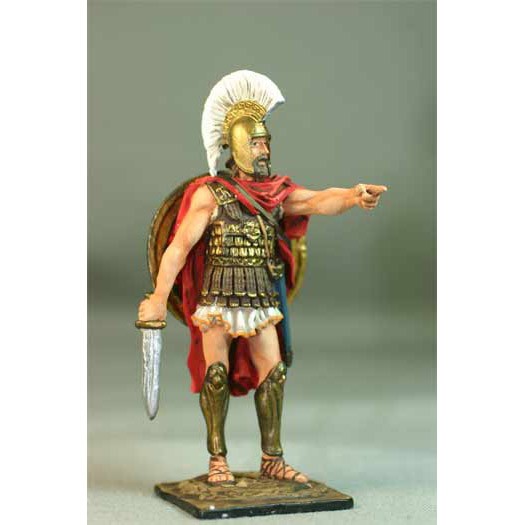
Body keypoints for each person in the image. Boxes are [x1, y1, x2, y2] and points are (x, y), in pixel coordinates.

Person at [138, 70, 387, 485]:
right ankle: (218, 460)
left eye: (266, 141)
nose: (264, 149)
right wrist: (160, 297)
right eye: (256, 143)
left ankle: (272, 459)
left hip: (259, 297)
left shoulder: (274, 194)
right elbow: (178, 248)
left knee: (273, 375)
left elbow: (317, 201)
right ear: (238, 144)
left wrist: (351, 195)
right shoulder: (210, 195)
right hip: (217, 298)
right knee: (216, 375)